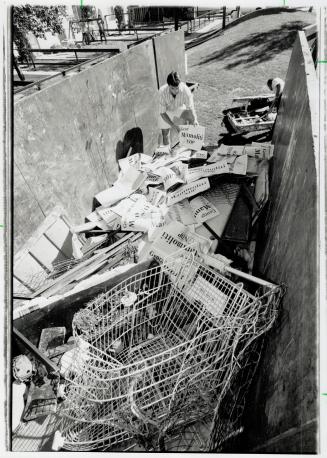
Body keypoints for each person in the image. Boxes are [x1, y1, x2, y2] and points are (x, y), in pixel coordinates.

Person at [159, 71, 198, 146]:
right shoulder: (162, 91)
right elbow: (162, 113)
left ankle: (186, 149)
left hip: (179, 108)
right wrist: (172, 125)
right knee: (165, 133)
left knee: (182, 131)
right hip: (166, 111)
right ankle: (167, 153)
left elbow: (190, 108)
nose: (175, 91)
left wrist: (195, 119)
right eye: (172, 88)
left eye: (177, 88)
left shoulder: (185, 90)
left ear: (180, 84)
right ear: (168, 85)